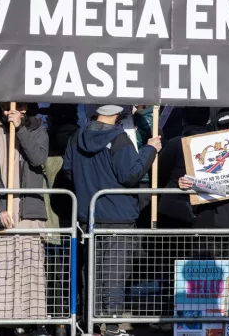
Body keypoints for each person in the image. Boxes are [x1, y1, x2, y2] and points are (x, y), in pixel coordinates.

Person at [62, 105, 161, 331]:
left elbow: (68, 171)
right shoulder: (119, 140)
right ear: (118, 115)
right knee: (114, 272)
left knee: (91, 272)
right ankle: (112, 325)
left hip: (89, 215)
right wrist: (150, 150)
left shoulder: (77, 137)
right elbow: (130, 175)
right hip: (118, 216)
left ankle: (91, 323)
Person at [0, 101, 49, 336]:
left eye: (19, 107)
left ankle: (32, 321)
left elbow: (38, 158)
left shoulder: (37, 128)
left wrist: (21, 129)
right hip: (0, 210)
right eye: (6, 107)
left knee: (29, 267)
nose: (12, 111)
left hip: (28, 210)